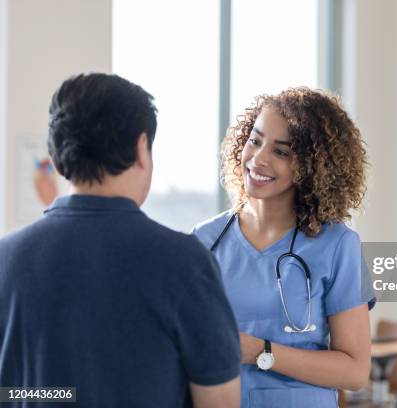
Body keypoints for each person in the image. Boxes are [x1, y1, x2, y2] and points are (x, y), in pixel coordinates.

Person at [0, 73, 240, 408]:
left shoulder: (6, 260)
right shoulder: (184, 263)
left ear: (55, 158)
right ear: (142, 148)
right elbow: (220, 403)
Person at [192, 87, 376, 407]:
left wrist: (260, 352)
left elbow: (356, 371)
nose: (259, 158)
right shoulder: (205, 240)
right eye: (255, 140)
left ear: (313, 166)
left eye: (281, 152)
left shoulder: (337, 246)